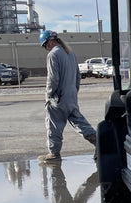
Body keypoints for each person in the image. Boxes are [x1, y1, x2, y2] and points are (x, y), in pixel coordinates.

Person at [38, 30, 96, 163]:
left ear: (50, 42)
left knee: (53, 126)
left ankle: (54, 154)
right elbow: (77, 76)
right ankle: (100, 144)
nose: (46, 49)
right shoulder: (70, 53)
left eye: (45, 46)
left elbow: (53, 79)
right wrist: (74, 92)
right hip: (71, 96)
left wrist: (49, 95)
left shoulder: (53, 54)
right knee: (80, 123)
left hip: (58, 98)